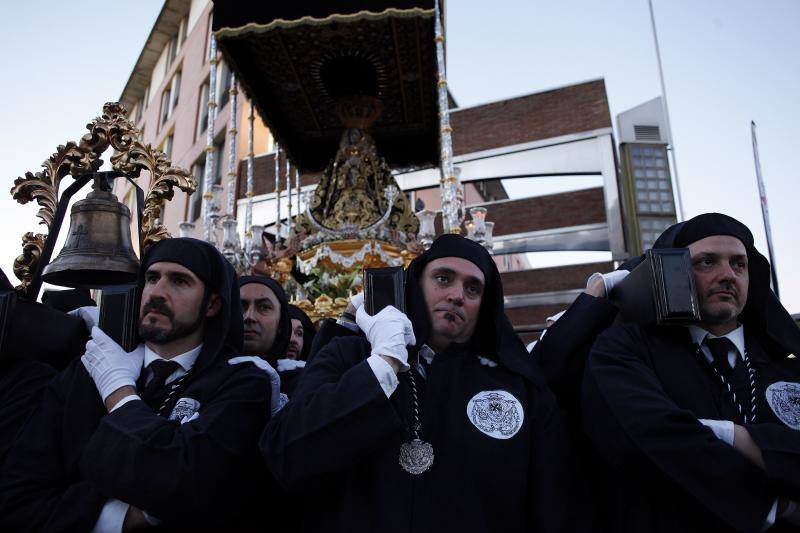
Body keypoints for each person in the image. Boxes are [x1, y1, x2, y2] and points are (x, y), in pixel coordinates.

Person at [262, 234, 587, 533]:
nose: (457, 295)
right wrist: (384, 363)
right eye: (443, 279)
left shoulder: (515, 387)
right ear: (415, 286)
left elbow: (556, 503)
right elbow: (289, 456)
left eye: (473, 289)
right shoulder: (350, 357)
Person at [0, 238, 274, 531]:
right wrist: (124, 516)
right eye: (152, 278)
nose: (157, 292)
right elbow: (17, 498)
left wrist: (118, 391)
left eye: (180, 281)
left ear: (212, 304)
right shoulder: (87, 371)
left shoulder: (243, 383)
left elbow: (190, 484)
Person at [582, 213, 800, 532]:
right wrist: (778, 502)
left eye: (739, 264)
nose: (728, 275)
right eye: (707, 262)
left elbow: (676, 438)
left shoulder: (785, 364)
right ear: (674, 272)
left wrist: (726, 433)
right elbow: (646, 440)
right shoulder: (625, 350)